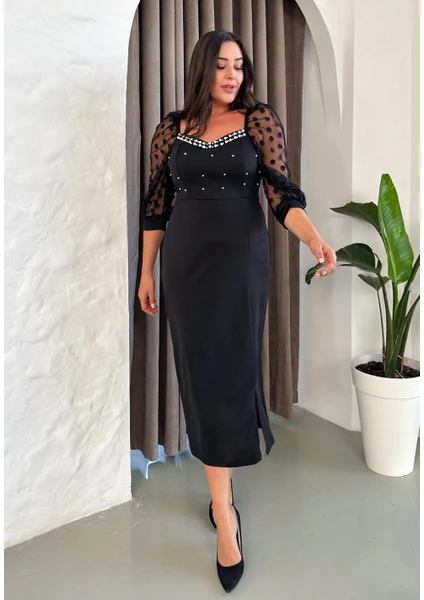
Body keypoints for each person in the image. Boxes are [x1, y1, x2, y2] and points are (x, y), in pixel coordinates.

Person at [138, 30, 336, 593]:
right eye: (223, 65)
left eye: (240, 66)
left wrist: (314, 239)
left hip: (241, 267)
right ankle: (224, 511)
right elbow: (157, 206)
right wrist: (146, 271)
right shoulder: (171, 130)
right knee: (200, 379)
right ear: (204, 68)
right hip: (187, 267)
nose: (232, 75)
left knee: (230, 376)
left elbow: (281, 195)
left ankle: (222, 503)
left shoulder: (258, 121)